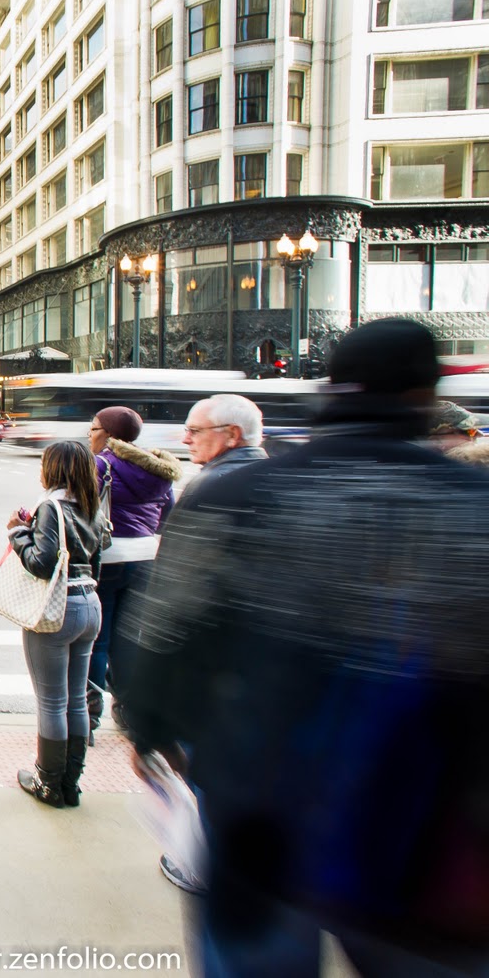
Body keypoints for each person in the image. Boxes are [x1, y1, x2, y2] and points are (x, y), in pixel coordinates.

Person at [119, 318, 489, 975]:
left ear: (331, 390)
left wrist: (149, 732)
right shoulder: (470, 502)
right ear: (425, 394)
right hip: (421, 822)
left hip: (260, 806)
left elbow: (164, 631)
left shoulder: (237, 498)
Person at [6, 441, 105, 808]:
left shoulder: (51, 505)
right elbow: (99, 548)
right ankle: (70, 783)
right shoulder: (93, 502)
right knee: (76, 699)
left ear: (53, 468)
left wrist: (18, 532)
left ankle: (47, 782)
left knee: (51, 702)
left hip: (57, 609)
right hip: (89, 603)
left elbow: (41, 562)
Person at [86, 406, 178, 736]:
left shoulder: (99, 465)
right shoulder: (158, 470)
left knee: (98, 639)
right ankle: (127, 712)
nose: (90, 435)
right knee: (128, 638)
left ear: (108, 435)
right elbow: (167, 516)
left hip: (107, 558)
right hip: (145, 559)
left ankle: (90, 714)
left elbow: (82, 512)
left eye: (93, 429)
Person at [180, 394, 268, 506]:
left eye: (195, 431)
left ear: (232, 434)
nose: (185, 440)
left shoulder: (209, 485)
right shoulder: (277, 476)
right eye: (187, 431)